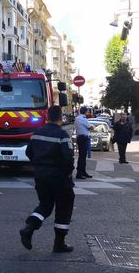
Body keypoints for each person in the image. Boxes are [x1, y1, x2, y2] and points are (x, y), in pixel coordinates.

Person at [20, 106, 75, 253]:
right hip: (59, 177)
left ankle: (29, 227)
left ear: (47, 117)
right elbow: (68, 158)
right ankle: (59, 243)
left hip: (41, 175)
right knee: (64, 206)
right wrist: (68, 172)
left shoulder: (37, 132)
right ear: (61, 117)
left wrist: (39, 166)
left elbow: (28, 152)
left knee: (45, 205)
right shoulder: (62, 134)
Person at [74, 106, 93, 179]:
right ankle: (80, 173)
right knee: (82, 157)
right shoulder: (83, 119)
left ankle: (83, 172)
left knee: (82, 156)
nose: (88, 112)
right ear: (85, 112)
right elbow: (90, 127)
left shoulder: (78, 118)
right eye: (87, 111)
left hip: (80, 138)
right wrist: (92, 127)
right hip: (83, 138)